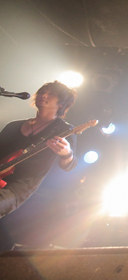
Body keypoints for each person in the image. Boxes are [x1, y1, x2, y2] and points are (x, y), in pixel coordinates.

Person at [0, 81, 78, 219]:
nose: (44, 95)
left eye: (51, 94)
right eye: (42, 92)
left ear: (61, 103)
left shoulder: (64, 130)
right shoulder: (14, 126)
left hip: (16, 188)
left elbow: (69, 165)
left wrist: (67, 153)